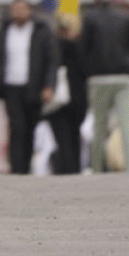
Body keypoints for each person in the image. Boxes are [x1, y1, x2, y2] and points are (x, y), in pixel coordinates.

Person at [0, 0, 58, 175]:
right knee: (16, 127)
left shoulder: (41, 31)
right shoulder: (4, 31)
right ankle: (16, 168)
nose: (18, 13)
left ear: (29, 10)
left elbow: (51, 61)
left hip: (33, 87)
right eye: (15, 9)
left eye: (22, 9)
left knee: (30, 128)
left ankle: (26, 167)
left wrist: (49, 85)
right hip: (11, 86)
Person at [80, 0, 129, 173]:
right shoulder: (126, 17)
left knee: (99, 124)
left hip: (99, 78)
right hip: (124, 78)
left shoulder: (89, 18)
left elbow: (84, 48)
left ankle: (97, 168)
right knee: (126, 124)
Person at [47, 12, 87, 174]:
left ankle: (66, 168)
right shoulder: (81, 47)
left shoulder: (53, 46)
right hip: (76, 99)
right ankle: (74, 168)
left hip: (59, 99)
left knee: (62, 137)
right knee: (74, 136)